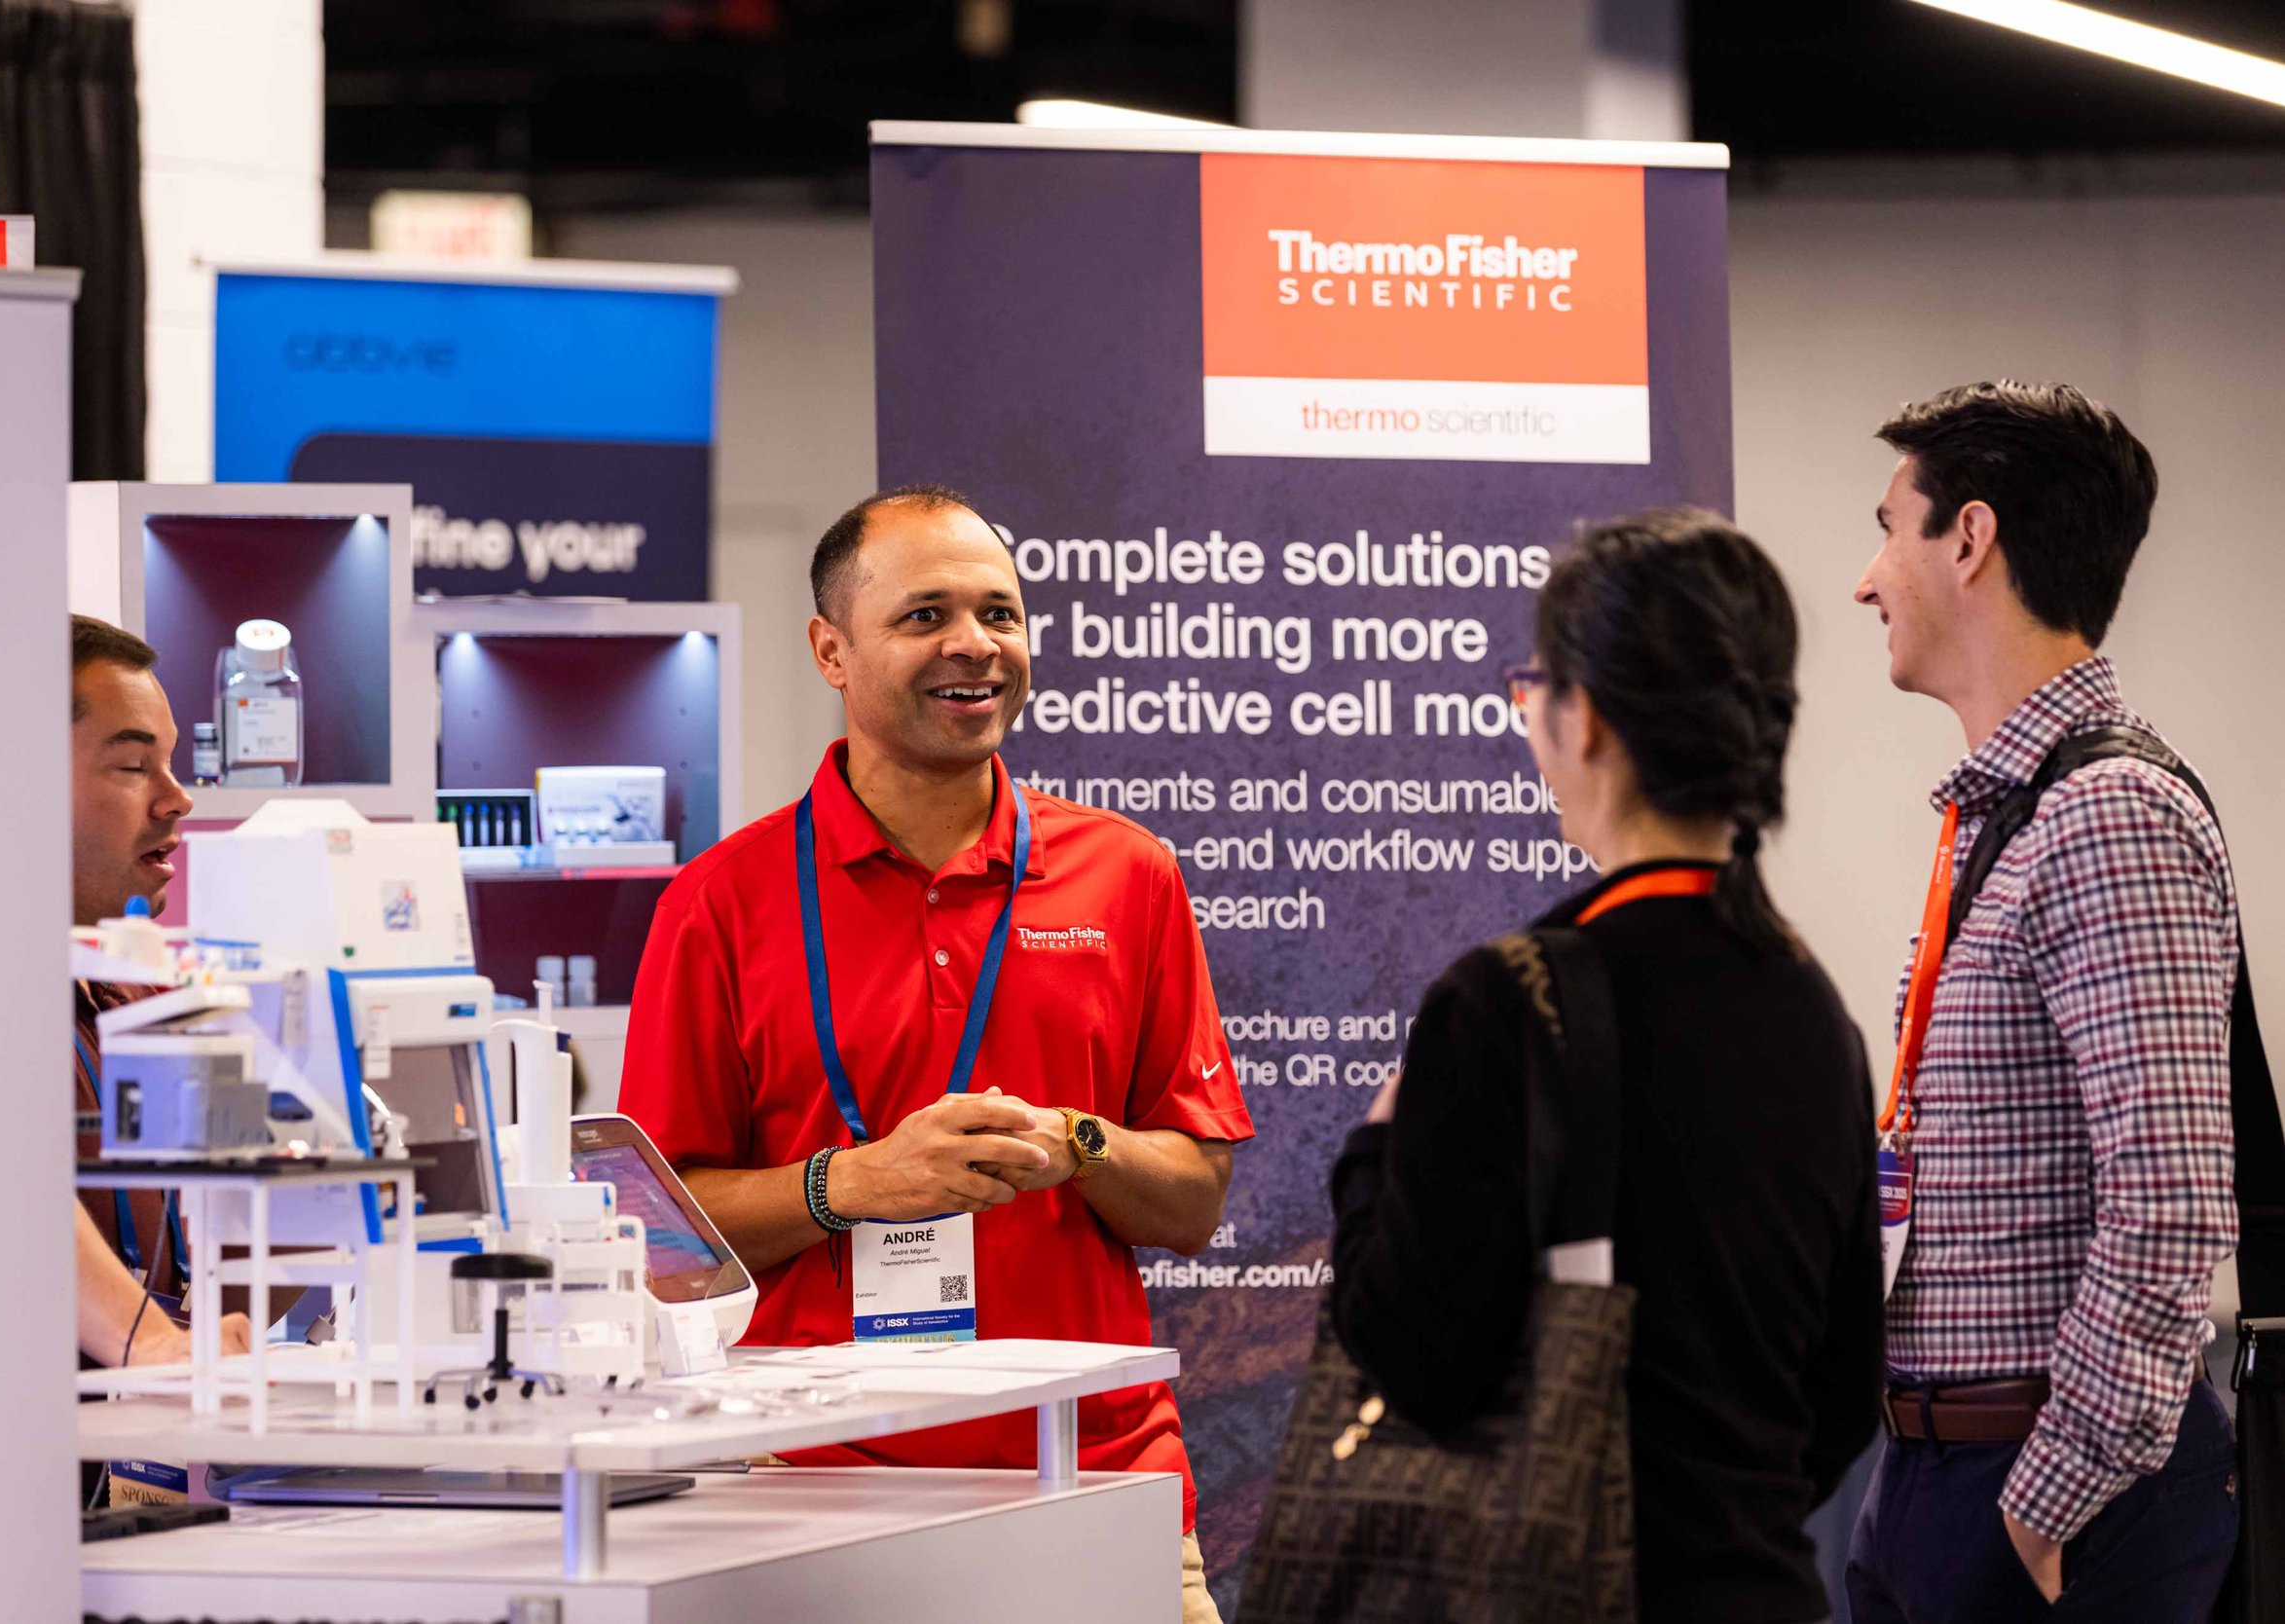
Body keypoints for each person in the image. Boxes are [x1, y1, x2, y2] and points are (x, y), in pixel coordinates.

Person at [618, 485, 1253, 1623]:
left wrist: (1080, 1143)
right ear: (831, 648)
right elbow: (663, 1246)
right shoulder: (720, 904)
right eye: (924, 616)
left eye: (999, 615)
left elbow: (1192, 1203)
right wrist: (847, 1184)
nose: (975, 646)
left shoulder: (1129, 874)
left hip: (1097, 1482)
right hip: (813, 1498)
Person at [1330, 509, 1881, 1624]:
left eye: (1535, 683)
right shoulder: (1812, 1004)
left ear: (1584, 718)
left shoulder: (1504, 999)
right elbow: (1838, 1387)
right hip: (1760, 1590)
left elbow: (1417, 1363)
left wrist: (1375, 1149)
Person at [1845, 383, 2240, 1621]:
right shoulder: (2008, 816)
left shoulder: (2108, 816)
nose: (1866, 580)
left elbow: (2172, 1206)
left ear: (1968, 540)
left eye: (1887, 528)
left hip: (2046, 1491)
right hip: (1935, 1468)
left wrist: (2041, 1505)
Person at [71, 614, 252, 1373]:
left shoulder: (146, 993)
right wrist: (150, 1343)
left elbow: (237, 1237)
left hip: (144, 1469)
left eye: (172, 765)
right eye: (133, 765)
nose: (177, 800)